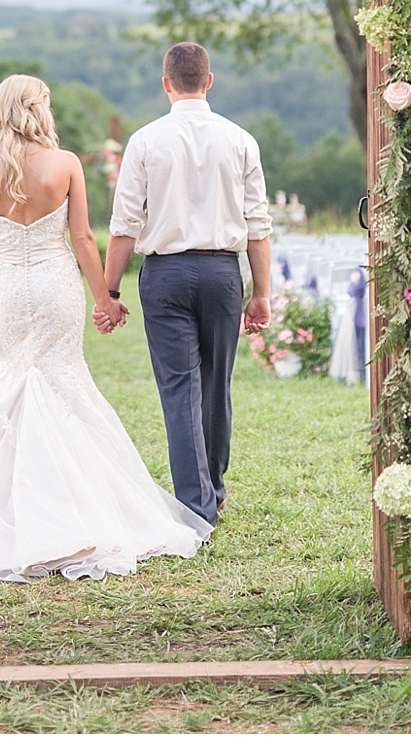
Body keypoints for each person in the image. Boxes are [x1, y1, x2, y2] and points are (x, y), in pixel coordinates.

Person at [0, 74, 211, 582]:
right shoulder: (65, 165)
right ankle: (77, 512)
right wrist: (104, 299)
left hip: (4, 290)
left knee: (9, 379)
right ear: (36, 109)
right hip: (54, 285)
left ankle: (6, 519)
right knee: (63, 380)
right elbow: (83, 237)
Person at [105, 41, 273, 526]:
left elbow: (124, 226)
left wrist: (110, 292)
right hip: (223, 273)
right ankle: (214, 490)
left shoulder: (144, 141)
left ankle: (197, 506)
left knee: (180, 388)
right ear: (209, 80)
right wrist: (260, 293)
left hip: (165, 276)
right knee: (216, 385)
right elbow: (257, 226)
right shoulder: (241, 140)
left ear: (166, 84)